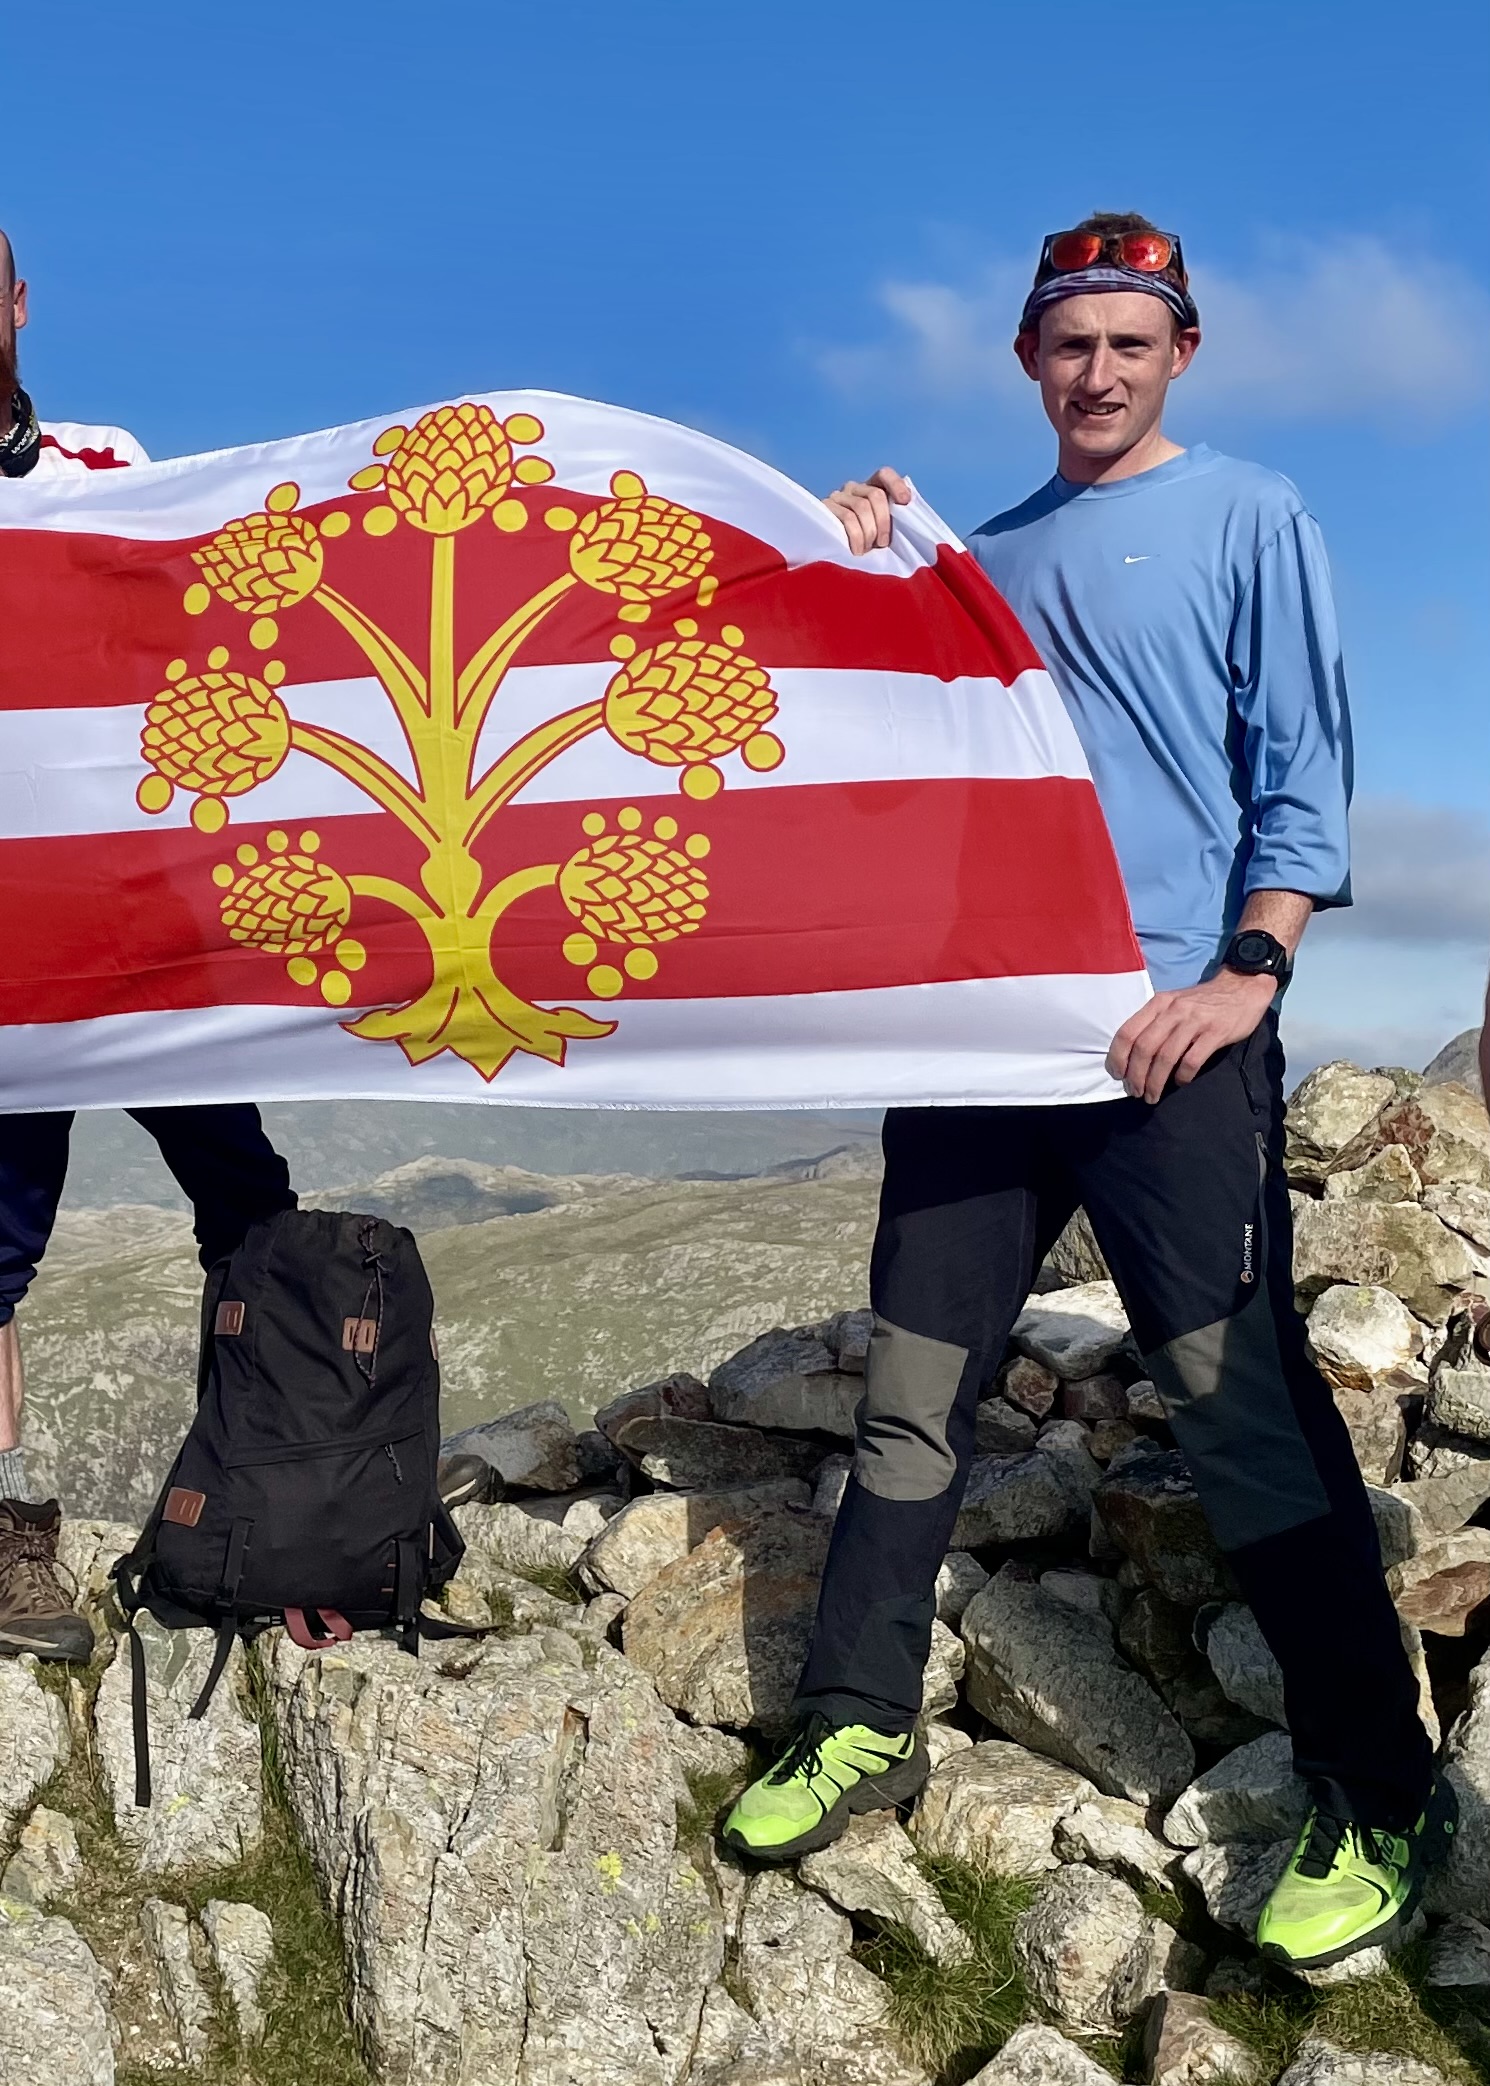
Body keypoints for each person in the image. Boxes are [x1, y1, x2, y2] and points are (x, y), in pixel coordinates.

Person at [722, 213, 1455, 1975]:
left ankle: (1379, 1788)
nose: (1100, 371)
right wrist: (844, 558)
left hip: (1168, 1040)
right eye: (1070, 344)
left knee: (1237, 1406)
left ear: (1179, 353)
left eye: (1133, 342)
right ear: (1027, 361)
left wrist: (1245, 973)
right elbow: (836, 719)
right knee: (912, 1391)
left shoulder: (1248, 512)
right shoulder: (987, 555)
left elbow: (1299, 771)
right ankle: (856, 1714)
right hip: (983, 1046)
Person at [0, 227, 300, 1660]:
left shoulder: (112, 460)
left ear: (17, 302)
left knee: (247, 1198)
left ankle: (281, 1494)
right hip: (6, 945)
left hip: (141, 920)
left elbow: (224, 598)